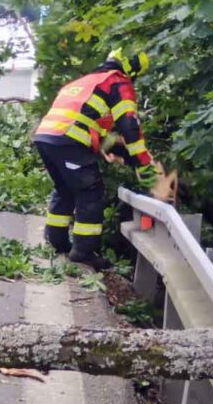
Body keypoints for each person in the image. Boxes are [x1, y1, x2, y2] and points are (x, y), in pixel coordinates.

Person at [32, 48, 157, 270]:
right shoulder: (117, 82)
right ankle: (83, 251)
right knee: (90, 192)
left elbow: (91, 126)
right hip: (69, 141)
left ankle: (57, 241)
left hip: (46, 138)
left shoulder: (87, 82)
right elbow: (129, 126)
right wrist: (143, 162)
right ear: (132, 69)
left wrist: (120, 153)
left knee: (65, 189)